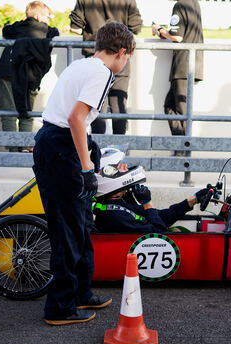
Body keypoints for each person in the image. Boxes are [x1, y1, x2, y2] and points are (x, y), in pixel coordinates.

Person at [32, 21, 135, 325]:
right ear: (121, 52)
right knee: (68, 229)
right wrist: (88, 168)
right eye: (127, 57)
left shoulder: (81, 65)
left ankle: (80, 292)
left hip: (54, 144)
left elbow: (75, 119)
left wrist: (89, 151)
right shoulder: (103, 73)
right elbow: (76, 118)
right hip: (62, 148)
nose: (125, 62)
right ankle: (60, 307)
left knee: (79, 223)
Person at [69, 0, 142, 135]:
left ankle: (98, 145)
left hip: (96, 54)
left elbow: (75, 27)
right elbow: (136, 28)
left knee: (95, 103)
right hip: (119, 56)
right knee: (118, 103)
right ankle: (118, 148)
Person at [0, 1, 59, 152]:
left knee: (8, 113)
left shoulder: (15, 29)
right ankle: (25, 147)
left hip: (8, 71)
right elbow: (56, 33)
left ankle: (12, 151)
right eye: (47, 17)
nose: (48, 20)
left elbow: (6, 30)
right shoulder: (46, 30)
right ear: (37, 16)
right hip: (30, 76)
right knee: (27, 113)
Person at [93, 165, 211, 233]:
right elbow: (160, 234)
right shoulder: (114, 216)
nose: (123, 167)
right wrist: (147, 203)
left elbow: (159, 217)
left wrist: (192, 200)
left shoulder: (118, 204)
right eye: (116, 168)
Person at [152, 0, 204, 154]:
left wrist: (159, 30)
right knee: (172, 105)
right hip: (194, 63)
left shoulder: (179, 5)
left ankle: (184, 150)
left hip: (183, 65)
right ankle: (181, 144)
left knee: (181, 110)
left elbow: (177, 37)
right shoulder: (194, 3)